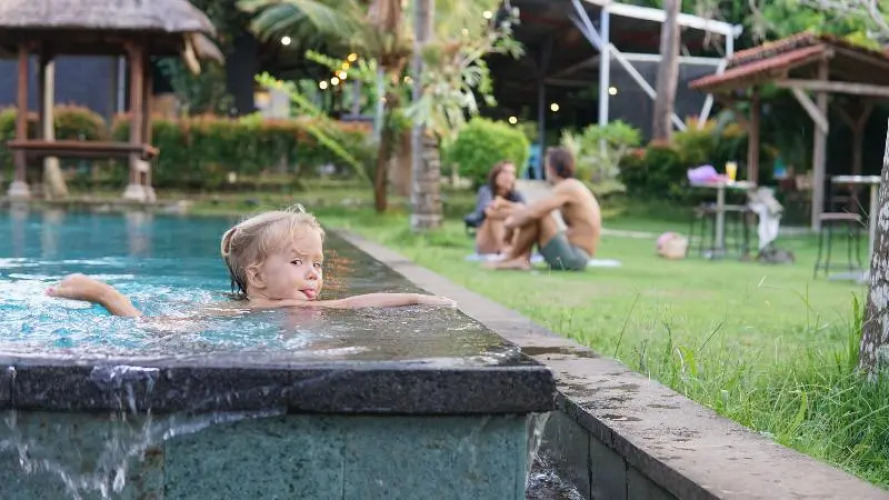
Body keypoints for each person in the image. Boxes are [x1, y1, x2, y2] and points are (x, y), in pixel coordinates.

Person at [46, 207, 456, 317]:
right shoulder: (288, 306)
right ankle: (104, 294)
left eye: (317, 264)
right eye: (297, 262)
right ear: (256, 276)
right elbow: (354, 303)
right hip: (203, 326)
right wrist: (417, 299)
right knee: (145, 327)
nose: (313, 273)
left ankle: (94, 289)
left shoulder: (240, 306)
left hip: (209, 319)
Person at [488, 147, 601, 271]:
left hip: (573, 258)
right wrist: (507, 205)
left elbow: (535, 212)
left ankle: (512, 258)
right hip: (575, 255)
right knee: (536, 214)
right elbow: (532, 208)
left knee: (540, 215)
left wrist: (510, 224)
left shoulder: (567, 187)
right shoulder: (572, 186)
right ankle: (520, 258)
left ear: (551, 168)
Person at [470, 161, 526, 255]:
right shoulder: (486, 191)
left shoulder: (516, 195)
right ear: (496, 176)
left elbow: (526, 212)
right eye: (505, 172)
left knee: (514, 218)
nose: (509, 177)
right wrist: (514, 210)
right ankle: (504, 249)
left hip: (511, 240)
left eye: (512, 173)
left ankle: (511, 249)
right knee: (495, 215)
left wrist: (503, 203)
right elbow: (489, 213)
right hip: (486, 241)